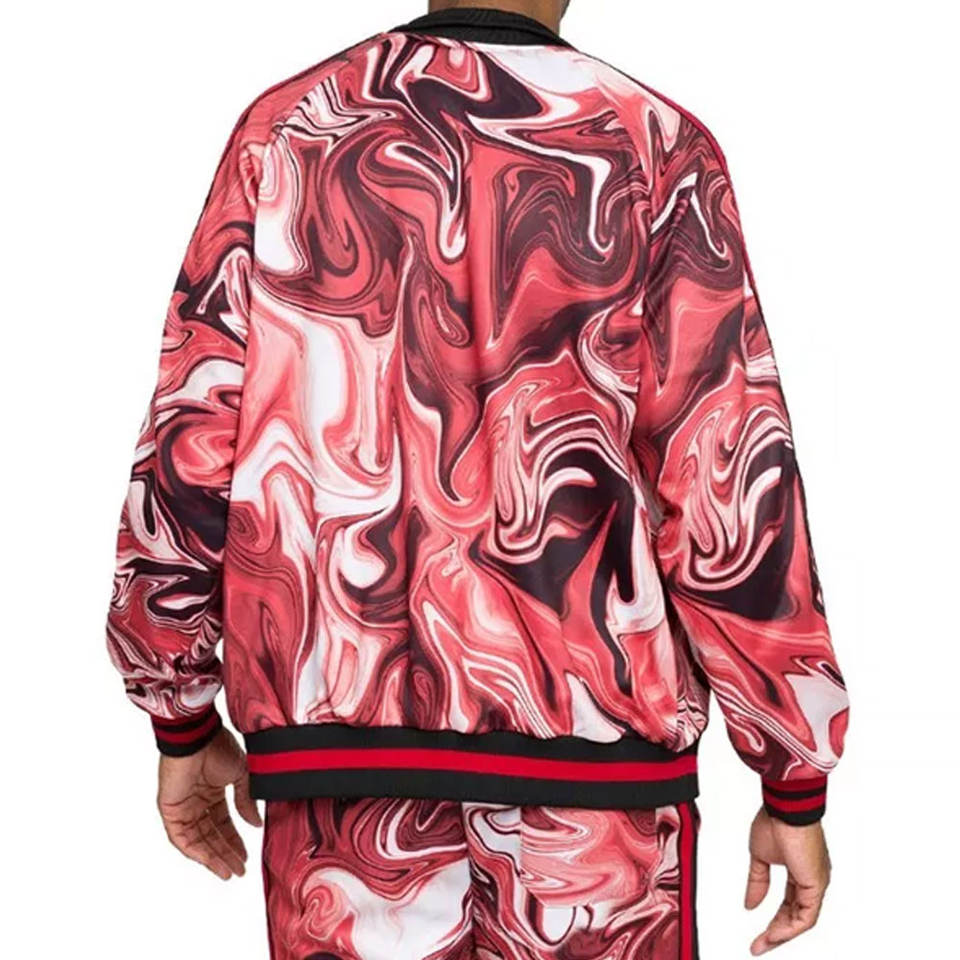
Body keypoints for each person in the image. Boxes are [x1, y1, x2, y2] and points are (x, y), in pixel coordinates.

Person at [105, 2, 849, 957]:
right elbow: (728, 477)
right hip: (597, 787)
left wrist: (176, 705)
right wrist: (791, 766)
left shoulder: (290, 131)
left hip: (339, 774)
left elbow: (191, 442)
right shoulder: (653, 146)